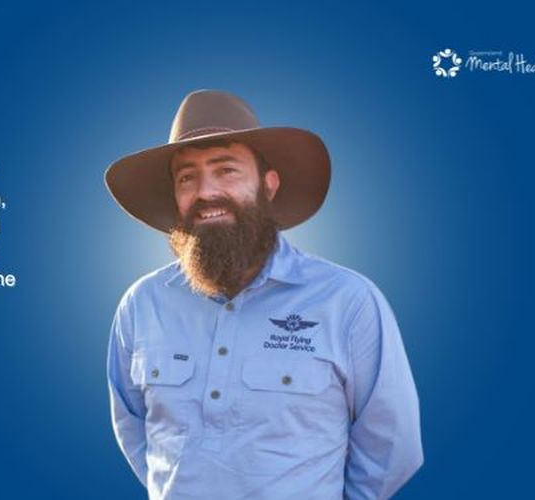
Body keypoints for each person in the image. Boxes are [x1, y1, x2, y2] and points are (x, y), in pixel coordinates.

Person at [105, 90, 422, 499]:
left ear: (268, 185)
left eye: (226, 171)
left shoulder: (348, 302)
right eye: (187, 177)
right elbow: (135, 432)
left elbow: (391, 449)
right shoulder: (142, 305)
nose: (206, 192)